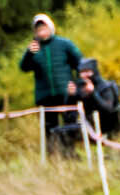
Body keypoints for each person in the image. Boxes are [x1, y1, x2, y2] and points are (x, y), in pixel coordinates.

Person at [19, 14, 83, 155]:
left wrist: (77, 85)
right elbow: (23, 67)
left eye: (44, 28)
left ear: (51, 28)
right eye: (38, 29)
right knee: (49, 130)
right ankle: (53, 157)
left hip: (66, 94)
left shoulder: (65, 44)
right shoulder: (33, 49)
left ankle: (70, 154)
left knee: (69, 126)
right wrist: (29, 54)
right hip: (45, 96)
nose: (42, 31)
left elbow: (81, 64)